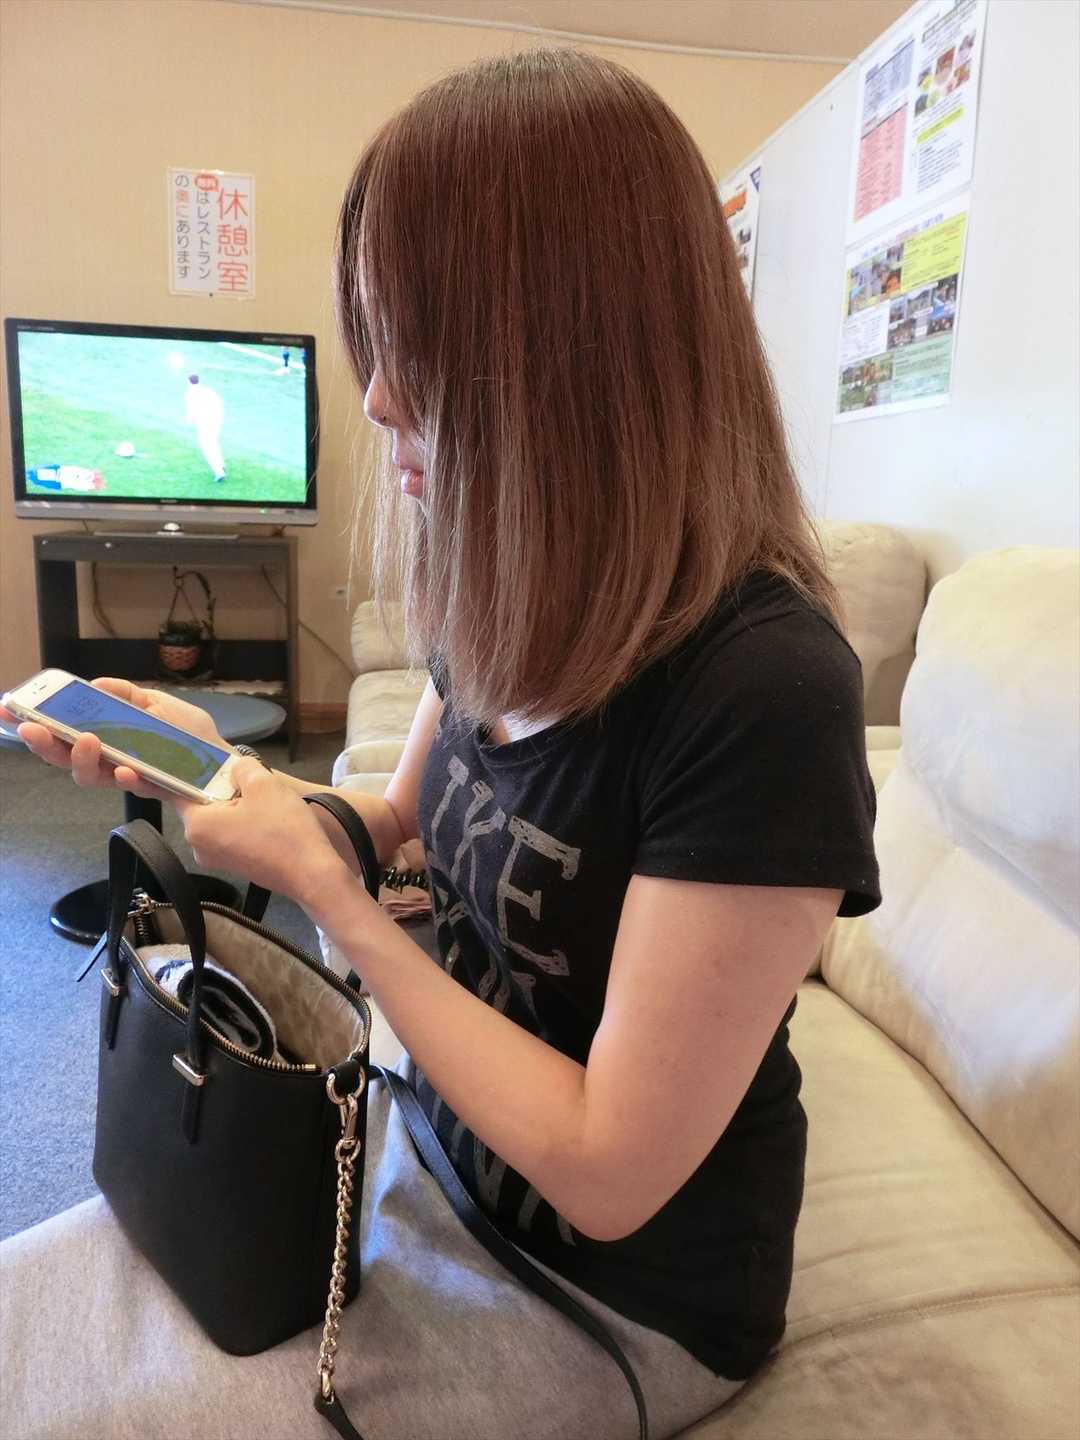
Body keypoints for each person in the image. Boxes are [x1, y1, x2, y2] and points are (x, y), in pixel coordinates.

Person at [0, 46, 880, 1440]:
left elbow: (608, 1170)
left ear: (570, 352)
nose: (378, 400)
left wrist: (338, 902)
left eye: (412, 341)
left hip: (614, 1298)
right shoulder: (520, 590)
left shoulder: (765, 691)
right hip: (421, 1146)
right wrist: (222, 775)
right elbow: (394, 821)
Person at [184, 371, 227, 482]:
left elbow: (191, 411)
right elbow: (219, 403)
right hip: (215, 421)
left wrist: (189, 423)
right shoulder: (208, 391)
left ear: (188, 382)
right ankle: (221, 464)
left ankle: (219, 472)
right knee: (213, 443)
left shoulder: (190, 395)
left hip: (204, 423)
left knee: (207, 447)